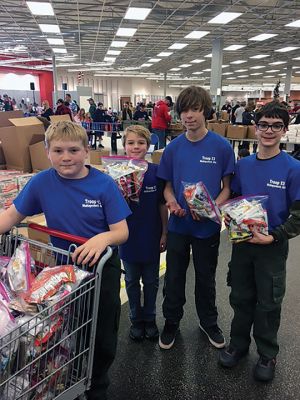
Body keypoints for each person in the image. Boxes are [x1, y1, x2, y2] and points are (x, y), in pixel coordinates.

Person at [0, 121, 131, 399]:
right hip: (64, 271)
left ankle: (98, 383)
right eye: (58, 150)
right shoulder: (41, 182)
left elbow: (121, 231)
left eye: (73, 150)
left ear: (87, 150)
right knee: (67, 328)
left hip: (100, 269)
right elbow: (10, 217)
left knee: (102, 332)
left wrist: (101, 239)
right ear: (47, 152)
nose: (66, 157)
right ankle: (71, 373)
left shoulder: (103, 185)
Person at [219, 101, 300, 382]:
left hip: (272, 249)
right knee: (240, 297)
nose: (269, 130)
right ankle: (238, 345)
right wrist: (228, 216)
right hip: (242, 246)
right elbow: (235, 200)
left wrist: (274, 236)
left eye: (276, 126)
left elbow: (299, 216)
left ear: (284, 130)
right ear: (255, 127)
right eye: (263, 124)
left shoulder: (293, 168)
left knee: (268, 302)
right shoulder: (244, 165)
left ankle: (267, 353)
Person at [157, 85, 235, 350]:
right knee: (174, 277)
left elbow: (227, 188)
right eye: (184, 110)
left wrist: (211, 207)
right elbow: (167, 186)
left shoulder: (222, 147)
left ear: (206, 111)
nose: (189, 116)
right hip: (179, 225)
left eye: (195, 109)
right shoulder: (173, 149)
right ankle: (171, 321)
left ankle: (208, 321)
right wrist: (171, 201)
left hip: (208, 227)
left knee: (205, 276)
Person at [119, 125, 168, 341]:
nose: (135, 146)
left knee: (151, 281)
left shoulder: (156, 173)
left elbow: (162, 206)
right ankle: (135, 319)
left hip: (151, 235)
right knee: (130, 280)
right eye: (131, 142)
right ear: (124, 146)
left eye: (140, 142)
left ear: (148, 146)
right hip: (127, 237)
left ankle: (150, 318)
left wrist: (165, 233)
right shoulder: (116, 173)